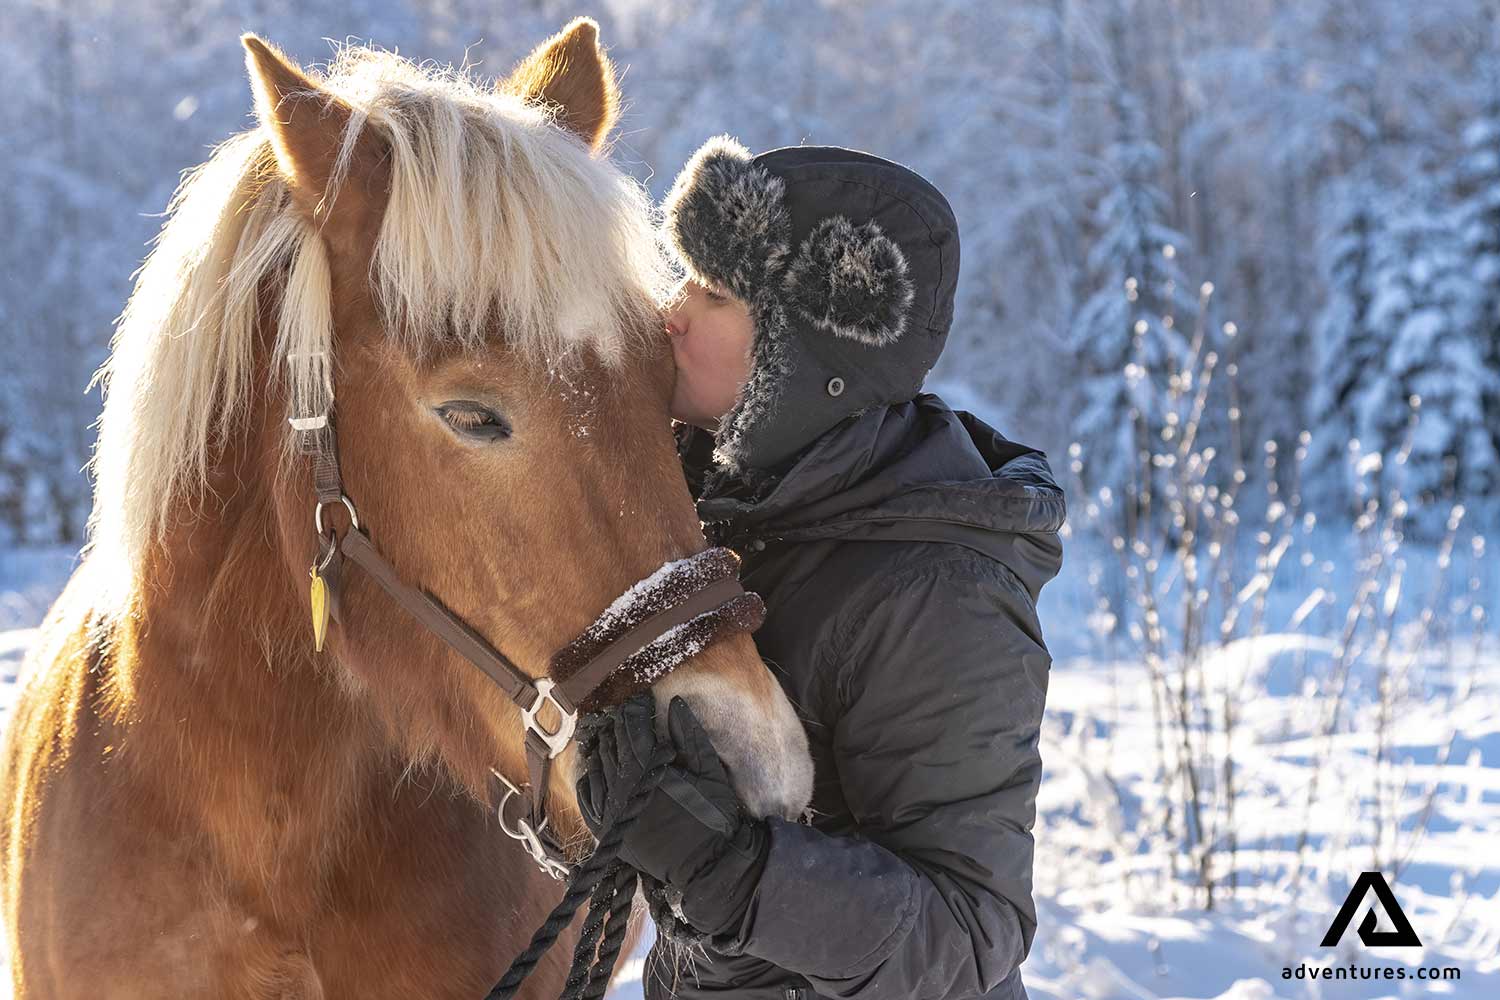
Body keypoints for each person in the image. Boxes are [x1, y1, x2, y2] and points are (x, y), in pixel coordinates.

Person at [576, 137, 1066, 1000]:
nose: (671, 313)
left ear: (807, 360)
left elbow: (968, 937)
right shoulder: (716, 518)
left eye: (713, 292)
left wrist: (733, 870)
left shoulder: (939, 591)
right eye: (680, 276)